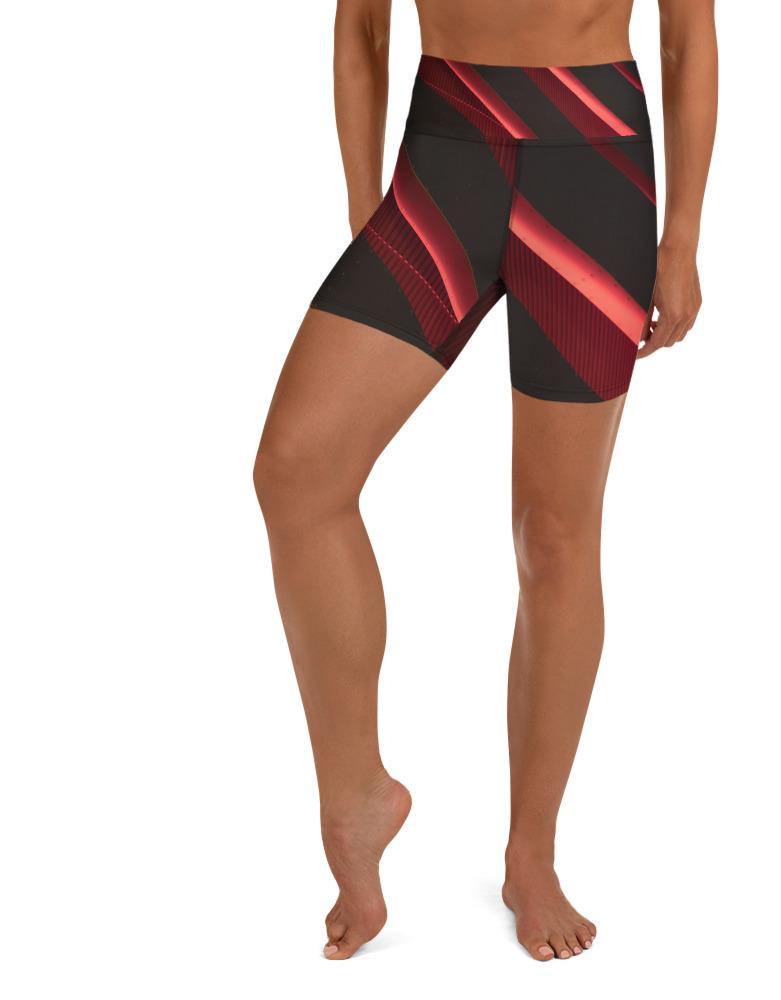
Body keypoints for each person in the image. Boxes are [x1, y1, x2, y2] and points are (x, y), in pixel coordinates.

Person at [254, 0, 717, 962]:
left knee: (555, 535)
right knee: (297, 472)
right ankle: (356, 793)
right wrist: (364, 207)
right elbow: (361, 29)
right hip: (445, 161)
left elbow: (685, 37)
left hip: (592, 169)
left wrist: (681, 239)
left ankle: (530, 855)